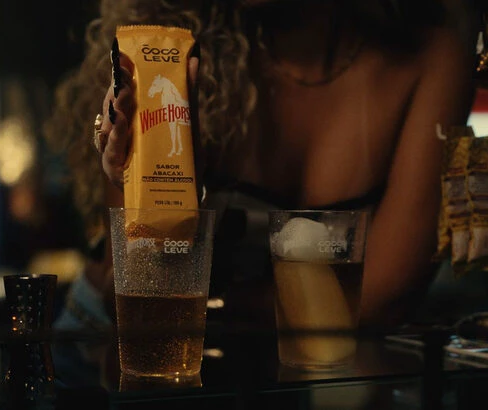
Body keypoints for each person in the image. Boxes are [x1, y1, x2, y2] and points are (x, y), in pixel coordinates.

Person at [44, 0, 478, 386]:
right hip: (108, 354)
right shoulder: (167, 47)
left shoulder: (433, 56)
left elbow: (383, 299)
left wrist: (206, 304)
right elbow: (135, 292)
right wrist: (146, 179)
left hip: (302, 374)